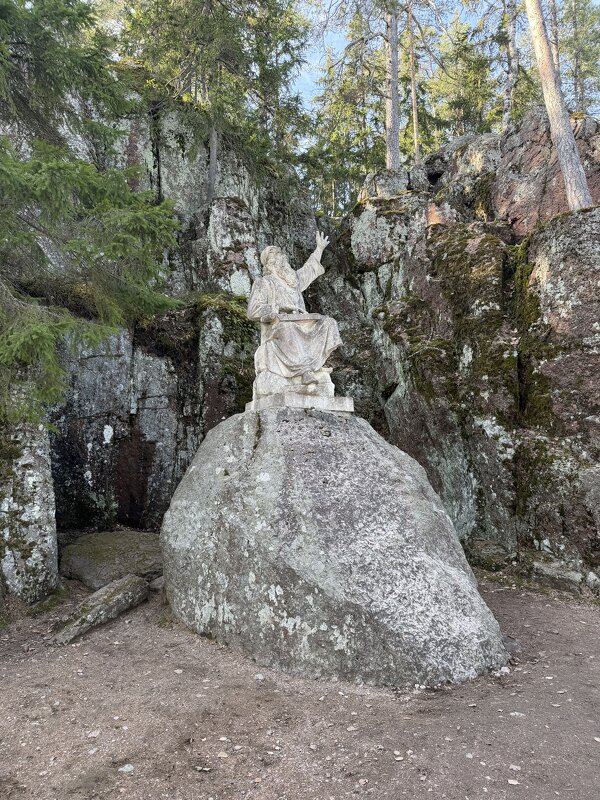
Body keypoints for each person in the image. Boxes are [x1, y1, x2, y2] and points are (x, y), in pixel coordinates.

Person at [247, 232, 342, 397]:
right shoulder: (264, 283)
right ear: (268, 264)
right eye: (275, 256)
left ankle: (316, 366)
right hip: (279, 325)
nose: (281, 258)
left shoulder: (294, 280)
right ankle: (305, 371)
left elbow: (309, 269)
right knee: (288, 328)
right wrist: (274, 309)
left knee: (329, 323)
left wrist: (319, 248)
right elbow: (253, 310)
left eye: (281, 255)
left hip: (302, 321)